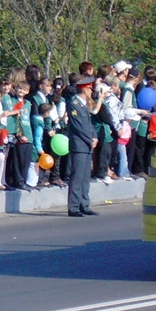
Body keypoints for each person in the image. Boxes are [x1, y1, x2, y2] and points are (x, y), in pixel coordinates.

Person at [67, 76, 98, 217]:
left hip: (87, 144)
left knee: (85, 176)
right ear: (85, 89)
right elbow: (78, 126)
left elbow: (89, 124)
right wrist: (89, 139)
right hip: (79, 144)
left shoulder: (83, 104)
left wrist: (95, 136)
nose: (92, 91)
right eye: (90, 89)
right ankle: (73, 207)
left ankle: (84, 204)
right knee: (77, 176)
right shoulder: (74, 103)